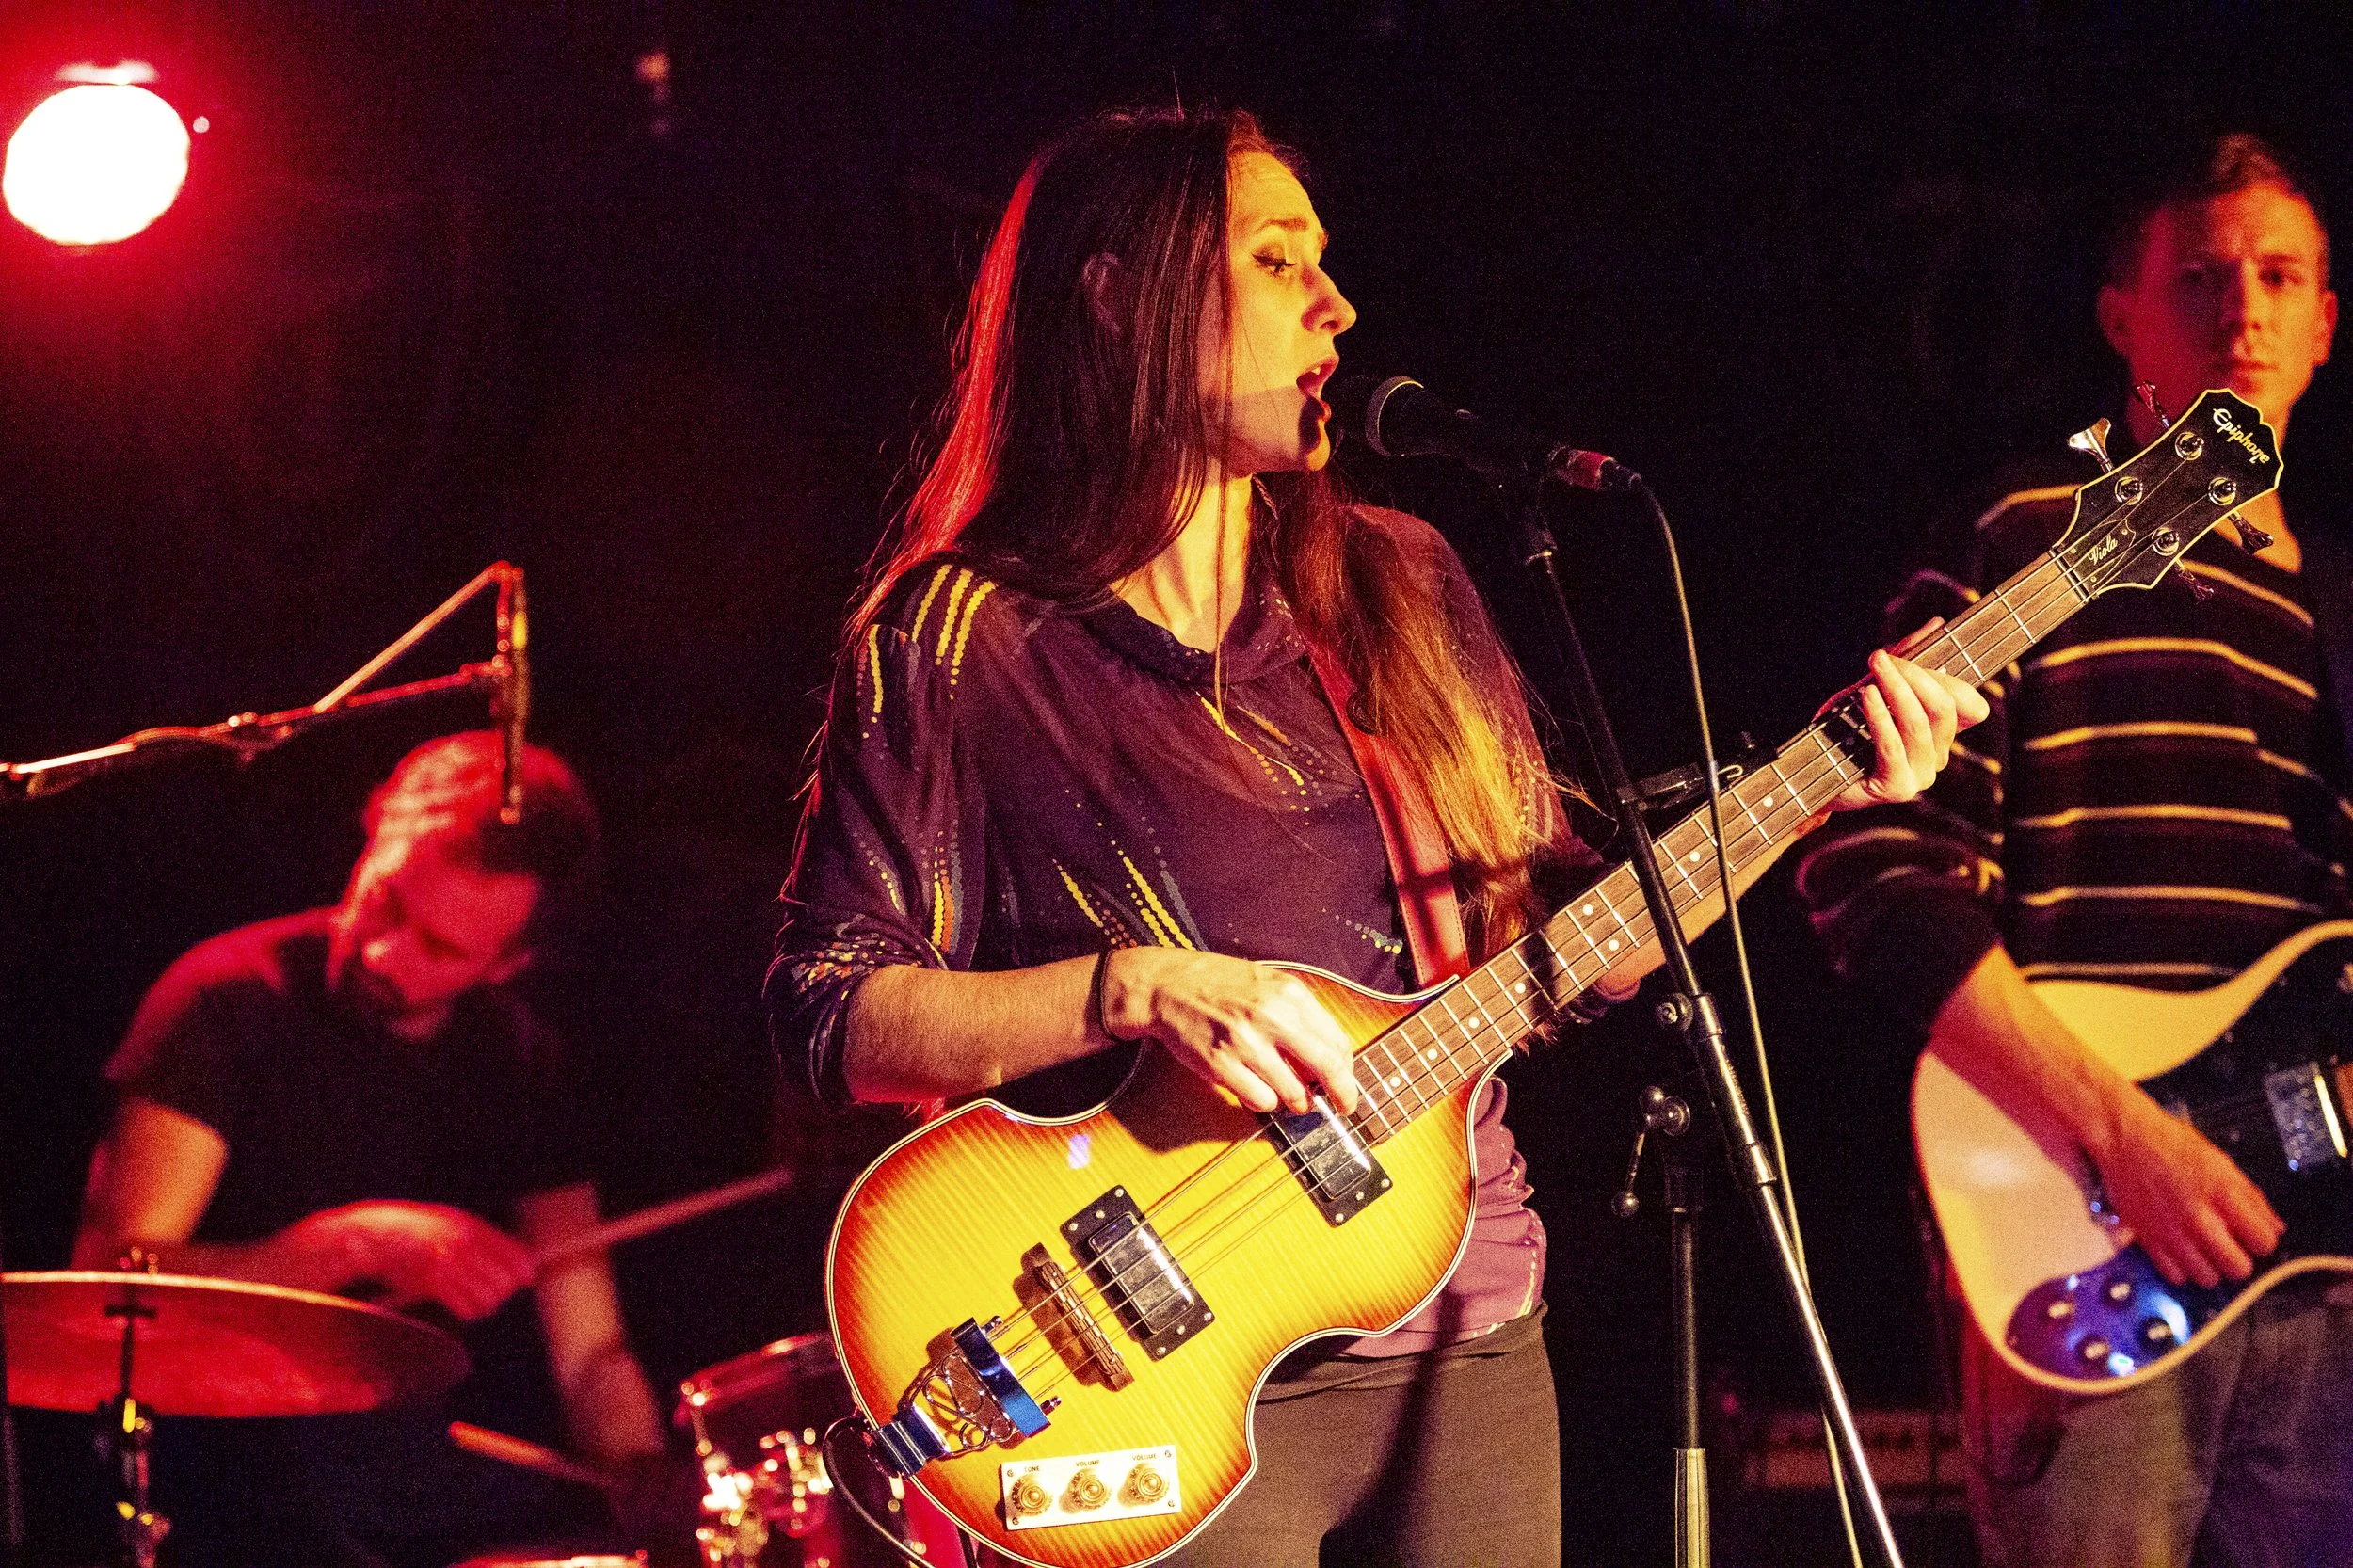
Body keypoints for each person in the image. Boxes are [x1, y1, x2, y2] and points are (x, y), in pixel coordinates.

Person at [767, 106, 1981, 1567]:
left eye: (1327, 263)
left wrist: (1829, 778)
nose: (1334, 303)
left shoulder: (1397, 583)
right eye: (1277, 260)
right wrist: (1134, 985)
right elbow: (832, 1010)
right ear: (1113, 294)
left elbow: (1569, 946)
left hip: (1467, 1337)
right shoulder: (967, 636)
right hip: (1136, 1360)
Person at [1795, 132, 2349, 1566]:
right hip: (2091, 1229)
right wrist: (2128, 1136)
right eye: (2204, 277)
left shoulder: (2330, 607)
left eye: (2281, 277)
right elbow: (1863, 859)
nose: (2245, 313)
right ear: (2121, 318)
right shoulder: (2037, 539)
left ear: (2327, 321)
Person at [73, 730, 667, 1568]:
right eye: (386, 900)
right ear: (376, 826)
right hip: (241, 1498)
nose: (386, 952)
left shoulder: (519, 1059)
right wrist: (350, 1245)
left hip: (444, 1492)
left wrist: (641, 1476)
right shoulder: (225, 1003)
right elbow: (113, 1280)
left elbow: (590, 1356)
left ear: (509, 964)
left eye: (443, 949)